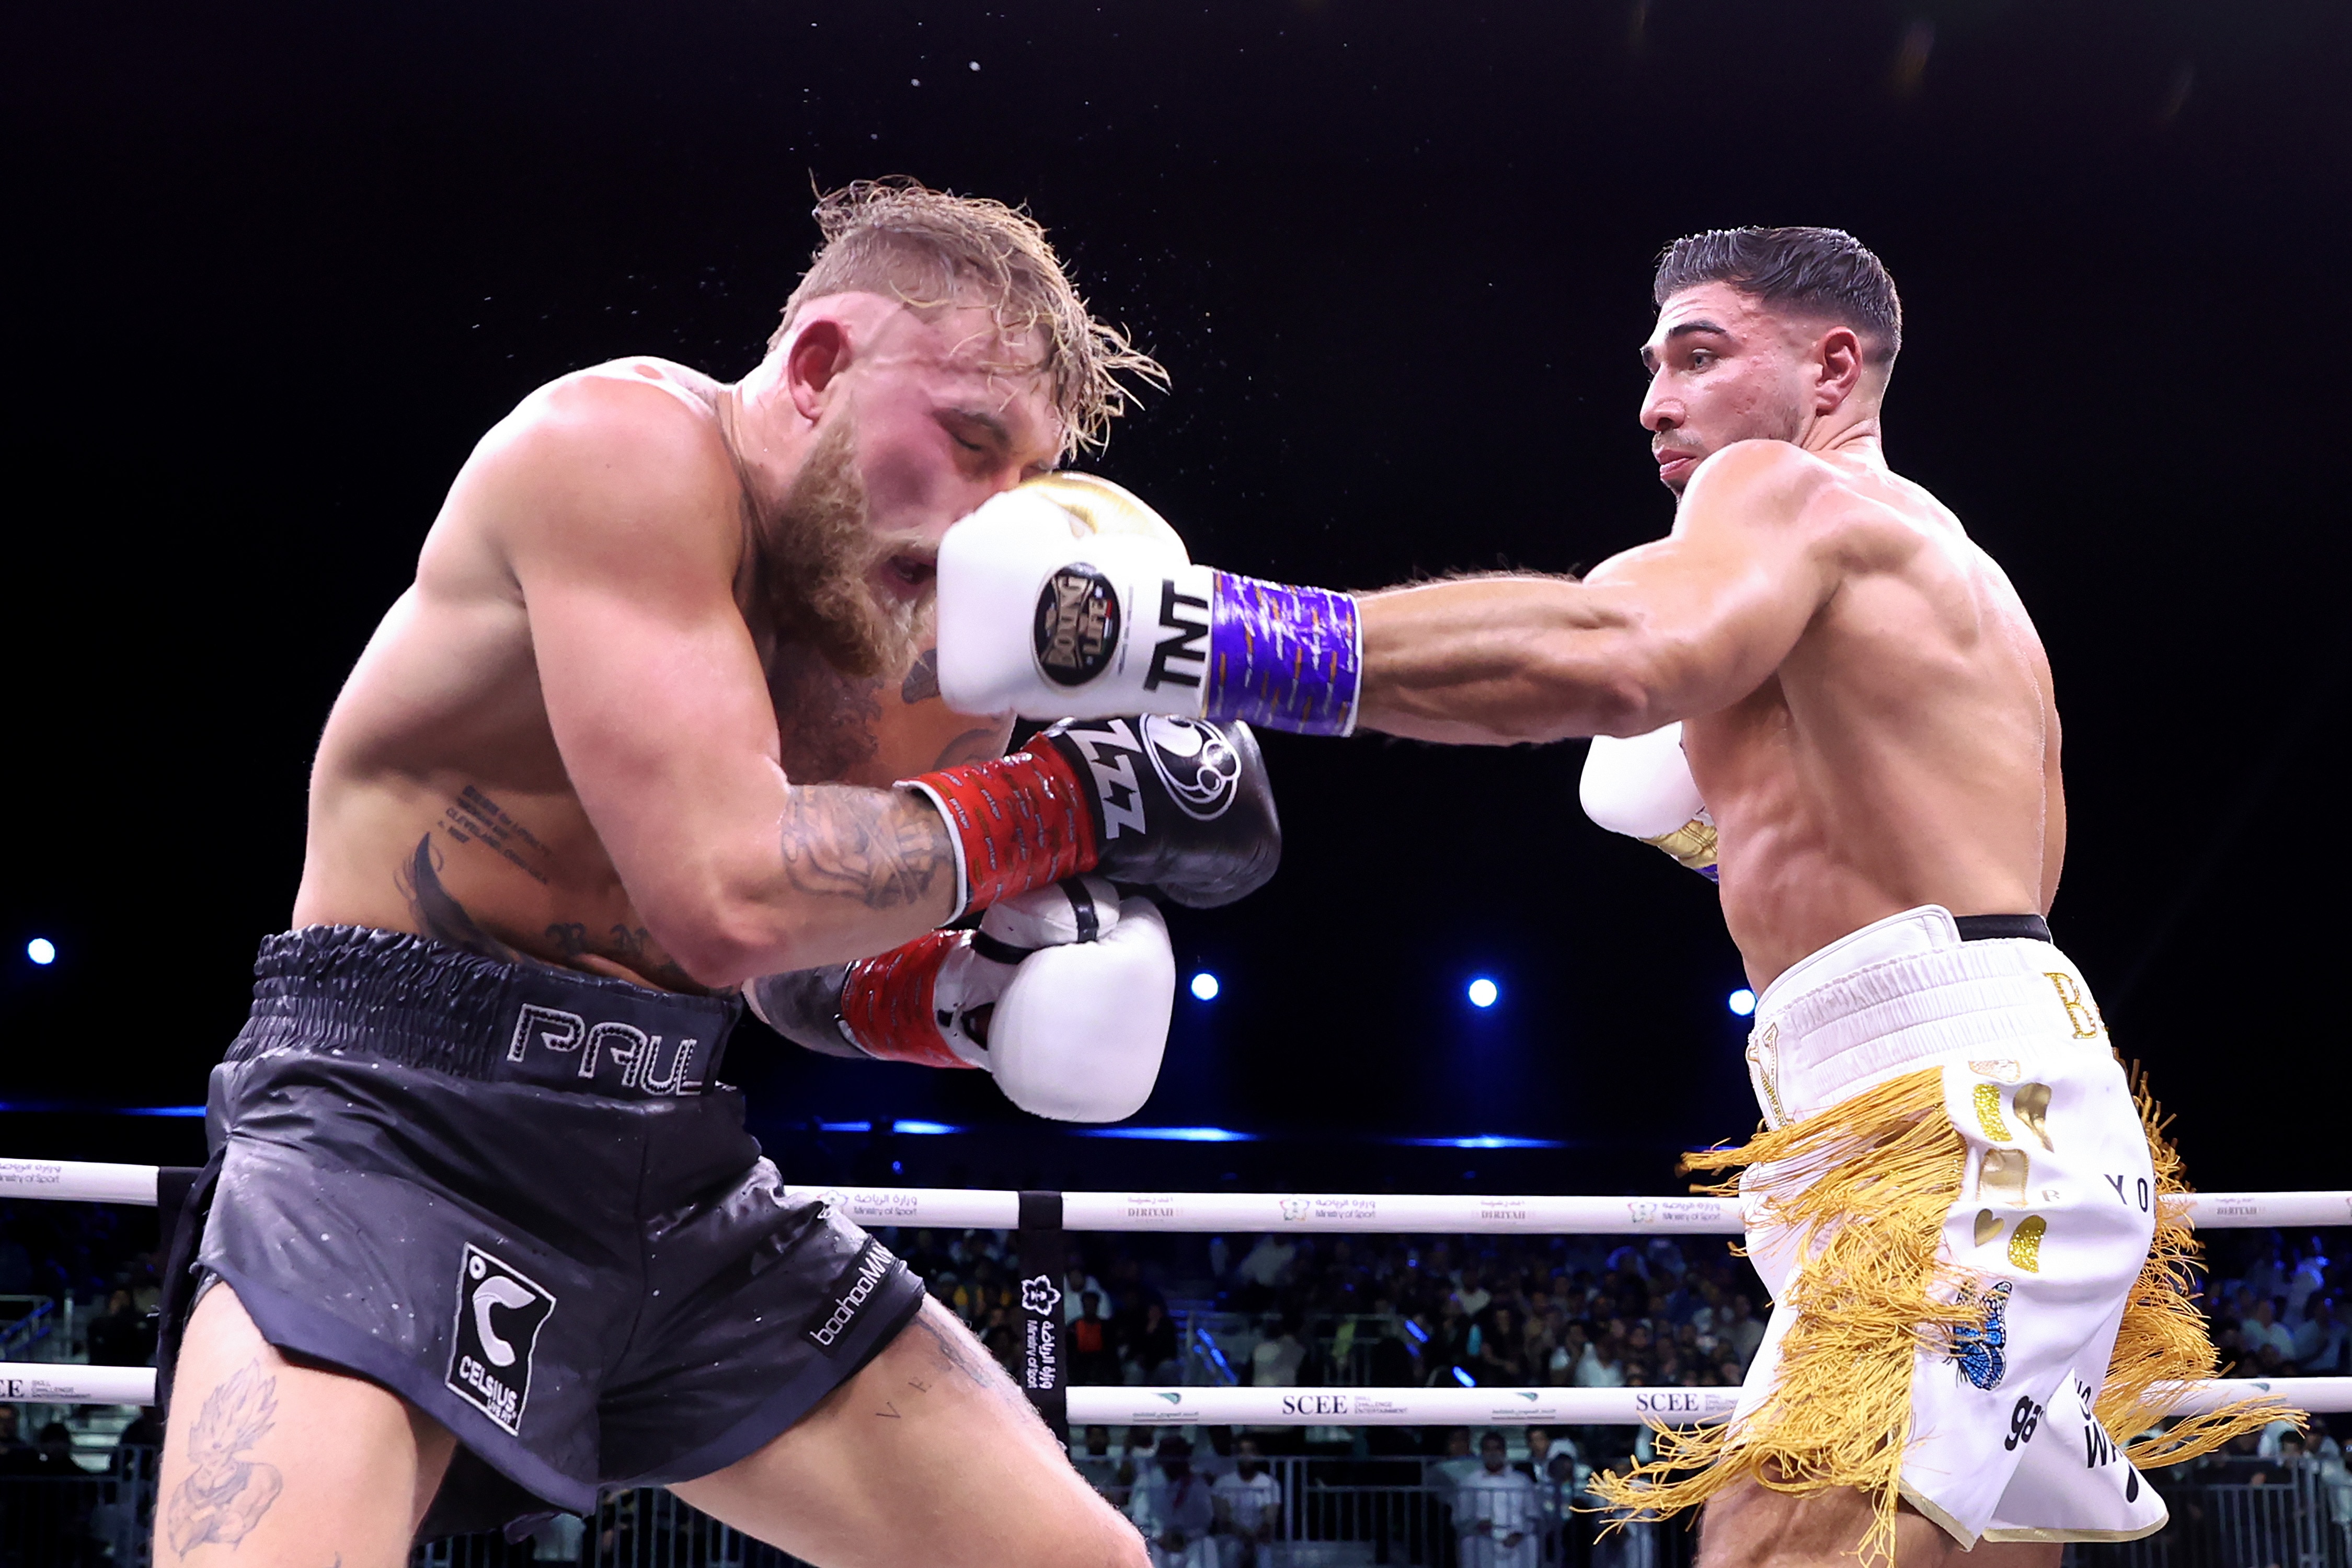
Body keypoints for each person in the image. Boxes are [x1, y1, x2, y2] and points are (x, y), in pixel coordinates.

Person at [938, 225, 2279, 1565]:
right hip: (1949, 1108)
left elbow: (1617, 652)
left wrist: (1195, 637)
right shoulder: (1940, 574)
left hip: (1957, 1129)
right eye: (1650, 365)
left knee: (1779, 1538)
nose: (1653, 400)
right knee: (1927, 1543)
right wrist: (1717, 830)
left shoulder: (1784, 494)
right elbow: (1928, 861)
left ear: (1831, 367)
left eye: (1699, 355)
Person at [154, 180, 1283, 1567]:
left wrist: (956, 1001)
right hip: (392, 1134)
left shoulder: (932, 645)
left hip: (667, 1157)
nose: (992, 519)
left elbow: (787, 967)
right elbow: (728, 893)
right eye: (967, 439)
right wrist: (1079, 796)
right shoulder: (620, 452)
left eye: (1023, 480)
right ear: (815, 369)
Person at [1129, 1437, 1217, 1568]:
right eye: (1171, 1455)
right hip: (1158, 1543)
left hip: (1189, 1543)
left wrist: (1184, 1538)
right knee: (1144, 1547)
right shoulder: (1147, 1482)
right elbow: (1139, 1519)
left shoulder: (1197, 1483)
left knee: (1207, 1544)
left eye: (1180, 1455)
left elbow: (1205, 1520)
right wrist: (1159, 1537)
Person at [1455, 1433, 1540, 1568]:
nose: (1493, 1453)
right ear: (1482, 1452)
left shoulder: (1521, 1481)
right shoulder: (1470, 1482)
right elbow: (1461, 1519)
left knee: (1531, 1542)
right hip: (1483, 1538)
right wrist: (1477, 1525)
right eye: (1488, 1449)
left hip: (1516, 1538)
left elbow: (1533, 1516)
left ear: (1504, 1451)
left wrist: (1519, 1533)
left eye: (1497, 1449)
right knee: (1470, 1543)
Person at [1210, 1437, 1281, 1568]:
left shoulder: (1270, 1484)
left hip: (1259, 1538)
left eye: (1251, 1451)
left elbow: (1269, 1520)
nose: (1246, 1456)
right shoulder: (1222, 1483)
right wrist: (1244, 1537)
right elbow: (1223, 1521)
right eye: (1242, 1451)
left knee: (1265, 1554)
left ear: (1258, 1455)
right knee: (1230, 1551)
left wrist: (1254, 1540)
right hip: (1232, 1537)